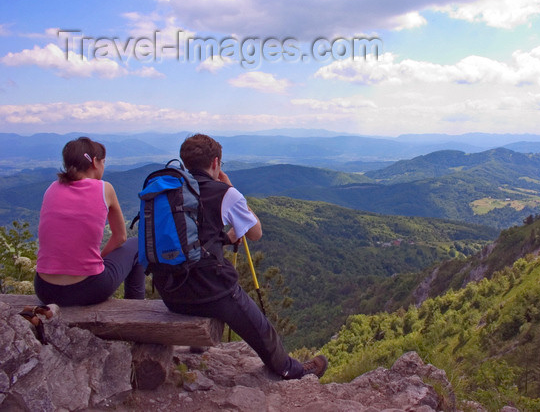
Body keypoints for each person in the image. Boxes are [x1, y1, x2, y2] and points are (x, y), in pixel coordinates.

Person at [151, 133, 327, 380]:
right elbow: (255, 232)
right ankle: (291, 369)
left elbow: (191, 237)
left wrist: (224, 238)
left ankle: (198, 347)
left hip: (170, 293)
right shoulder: (223, 193)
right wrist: (231, 188)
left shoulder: (170, 190)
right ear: (215, 163)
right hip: (210, 292)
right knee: (262, 329)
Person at [34, 137, 145, 306]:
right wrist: (99, 258)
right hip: (89, 288)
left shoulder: (52, 188)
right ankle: (135, 308)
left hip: (45, 289)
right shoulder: (104, 188)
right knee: (137, 244)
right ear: (94, 162)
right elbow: (120, 237)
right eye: (103, 162)